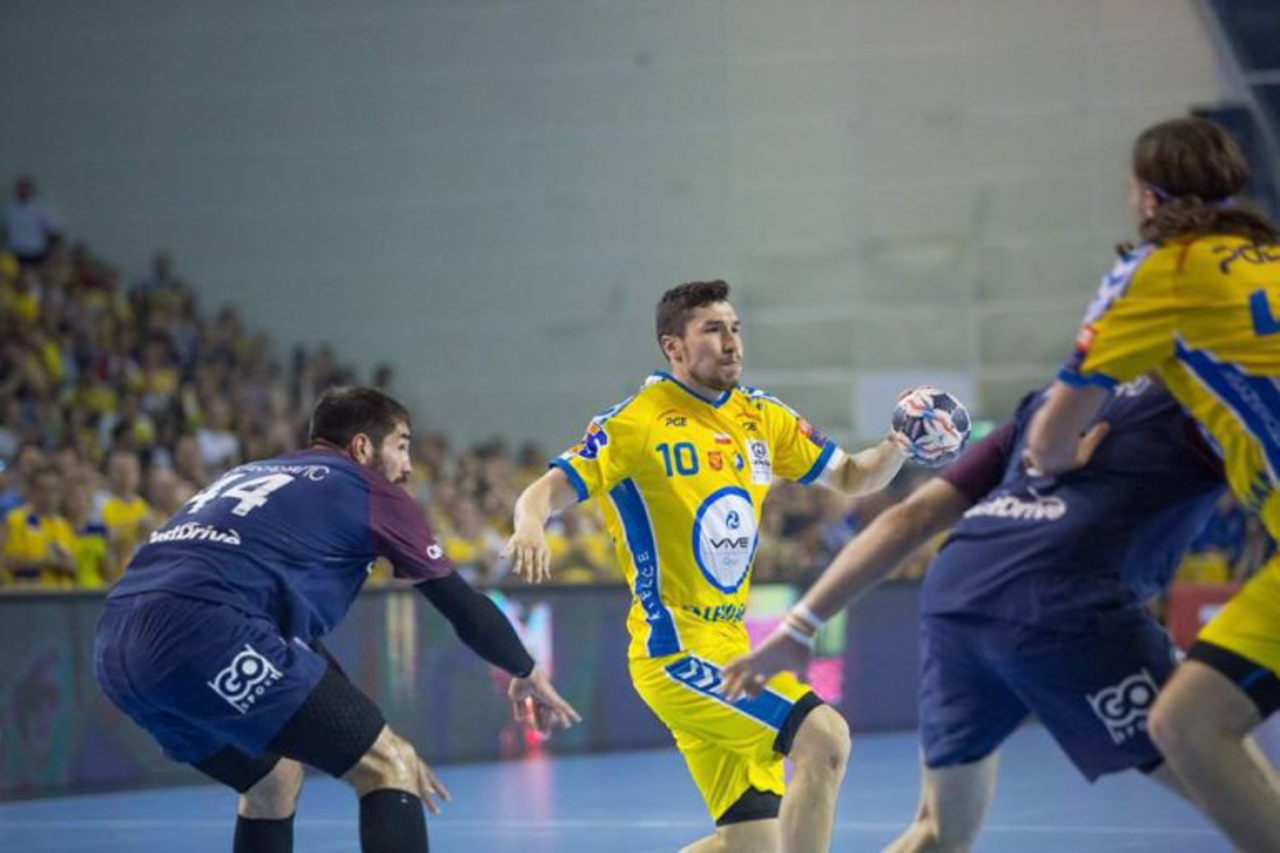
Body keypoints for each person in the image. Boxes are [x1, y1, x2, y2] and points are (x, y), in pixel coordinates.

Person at [723, 378, 1225, 852]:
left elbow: (911, 517)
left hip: (959, 590)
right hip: (1062, 603)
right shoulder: (1210, 404)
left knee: (937, 832)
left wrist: (800, 625)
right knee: (1223, 765)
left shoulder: (1047, 402)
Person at [506, 280, 907, 853]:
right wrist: (529, 523)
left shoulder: (761, 416)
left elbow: (852, 475)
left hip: (734, 647)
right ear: (672, 347)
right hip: (674, 651)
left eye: (735, 329)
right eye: (713, 330)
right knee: (825, 738)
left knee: (757, 844)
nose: (731, 343)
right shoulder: (636, 422)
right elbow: (545, 491)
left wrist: (900, 443)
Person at [95, 386, 580, 853]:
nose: (408, 466)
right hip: (206, 632)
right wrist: (523, 668)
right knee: (390, 765)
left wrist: (365, 725)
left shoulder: (250, 472)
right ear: (363, 447)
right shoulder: (368, 489)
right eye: (401, 446)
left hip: (115, 647)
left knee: (272, 780)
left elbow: (293, 644)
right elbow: (459, 604)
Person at [1023, 116, 1280, 852]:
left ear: (1145, 195)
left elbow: (1049, 438)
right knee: (1187, 719)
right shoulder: (1271, 257)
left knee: (1188, 725)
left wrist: (1065, 457)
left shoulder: (1157, 273)